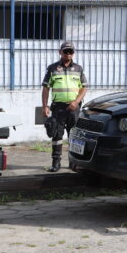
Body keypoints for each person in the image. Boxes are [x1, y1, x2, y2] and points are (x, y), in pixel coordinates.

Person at [41, 41, 88, 172]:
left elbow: (84, 87)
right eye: (65, 51)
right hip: (58, 108)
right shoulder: (52, 68)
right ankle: (56, 163)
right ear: (60, 52)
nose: (68, 54)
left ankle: (73, 162)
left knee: (74, 136)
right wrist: (45, 106)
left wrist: (76, 102)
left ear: (73, 53)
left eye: (70, 52)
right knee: (57, 135)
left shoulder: (78, 68)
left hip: (74, 108)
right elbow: (45, 88)